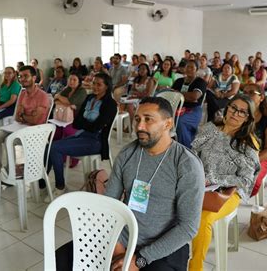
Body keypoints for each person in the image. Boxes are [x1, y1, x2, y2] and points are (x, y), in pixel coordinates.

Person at [55, 97, 204, 271]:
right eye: (137, 119)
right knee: (62, 259)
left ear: (167, 124)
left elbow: (188, 227)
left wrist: (140, 259)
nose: (139, 126)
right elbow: (109, 205)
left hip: (164, 246)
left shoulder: (186, 165)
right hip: (123, 236)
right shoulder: (128, 154)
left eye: (148, 119)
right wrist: (116, 242)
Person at [189, 94, 260, 270]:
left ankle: (195, 267)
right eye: (233, 107)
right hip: (199, 185)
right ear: (227, 108)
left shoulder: (247, 143)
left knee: (202, 220)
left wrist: (213, 180)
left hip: (227, 192)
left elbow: (245, 180)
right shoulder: (210, 129)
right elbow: (192, 154)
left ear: (248, 118)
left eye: (242, 112)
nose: (236, 113)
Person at [42, 73, 117, 200]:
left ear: (107, 86)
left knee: (55, 147)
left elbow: (96, 127)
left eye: (99, 84)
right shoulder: (90, 98)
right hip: (82, 135)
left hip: (96, 141)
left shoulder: (110, 104)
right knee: (50, 146)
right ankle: (42, 182)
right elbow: (77, 122)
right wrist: (88, 124)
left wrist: (86, 123)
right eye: (94, 83)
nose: (95, 87)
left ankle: (60, 186)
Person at [0, 66, 50, 182]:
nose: (22, 79)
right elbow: (17, 116)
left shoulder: (42, 96)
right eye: (20, 76)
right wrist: (27, 116)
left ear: (34, 78)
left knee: (9, 140)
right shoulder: (23, 94)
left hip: (36, 132)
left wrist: (23, 116)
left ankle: (11, 173)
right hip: (21, 128)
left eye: (26, 76)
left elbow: (35, 120)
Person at [243, 84, 267, 197]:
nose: (246, 96)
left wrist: (251, 161)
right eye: (244, 92)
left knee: (252, 181)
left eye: (251, 93)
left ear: (261, 98)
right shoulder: (238, 113)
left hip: (259, 156)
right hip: (237, 152)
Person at [172, 60, 207, 148]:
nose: (189, 69)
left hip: (193, 110)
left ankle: (186, 148)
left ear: (197, 69)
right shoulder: (179, 81)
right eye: (187, 67)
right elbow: (172, 94)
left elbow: (194, 96)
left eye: (192, 67)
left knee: (180, 121)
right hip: (176, 107)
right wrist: (188, 96)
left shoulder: (200, 82)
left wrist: (178, 93)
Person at [0, 67, 22, 133]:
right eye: (5, 73)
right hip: (0, 105)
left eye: (9, 73)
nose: (7, 74)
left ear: (14, 74)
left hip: (9, 107)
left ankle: (1, 134)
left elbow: (12, 100)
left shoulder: (15, 85)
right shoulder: (3, 84)